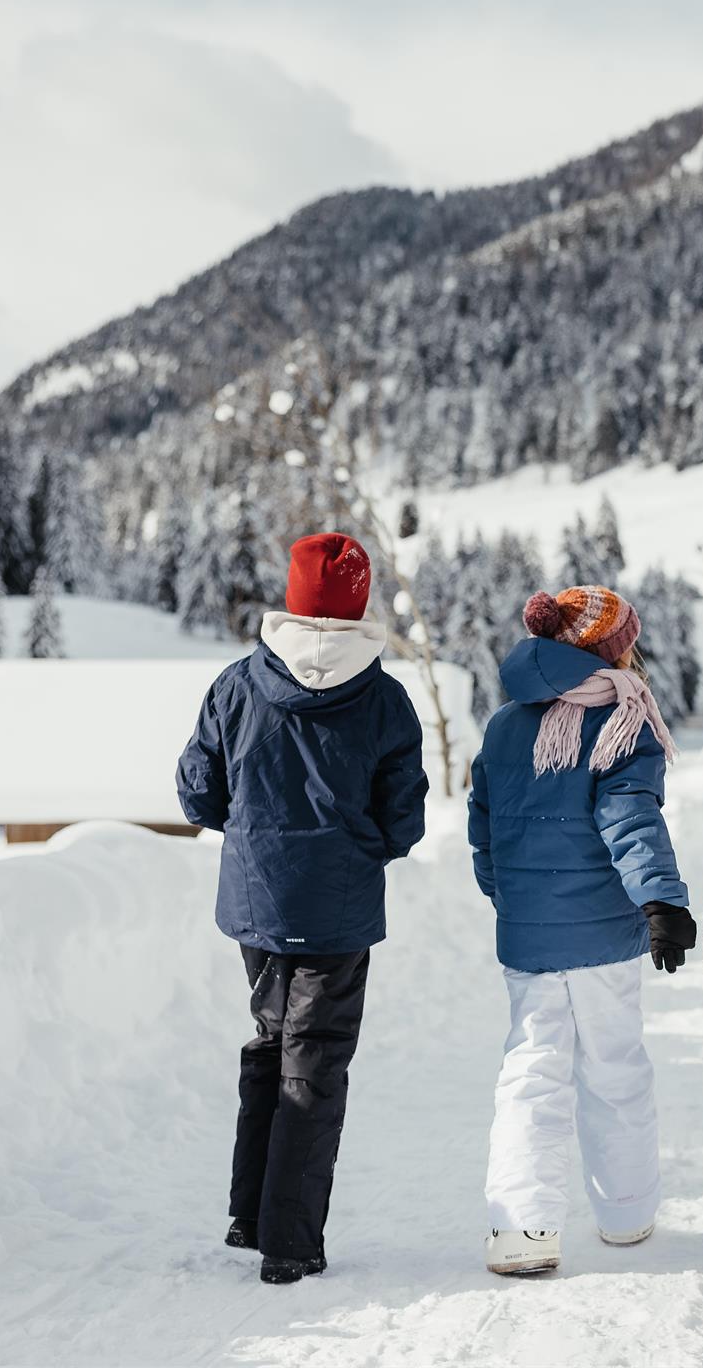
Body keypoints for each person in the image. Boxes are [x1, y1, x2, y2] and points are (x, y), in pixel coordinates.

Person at [176, 531, 429, 1285]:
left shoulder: (236, 685)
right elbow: (404, 821)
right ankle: (289, 1243)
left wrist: (256, 832)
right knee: (312, 1061)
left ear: (291, 599)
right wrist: (356, 851)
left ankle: (250, 1215)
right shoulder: (384, 699)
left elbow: (197, 793)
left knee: (270, 1038)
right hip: (339, 907)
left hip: (257, 898)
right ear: (358, 603)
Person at [468, 583, 696, 1277]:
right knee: (613, 1068)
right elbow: (629, 816)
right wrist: (662, 901)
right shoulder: (621, 716)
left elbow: (485, 830)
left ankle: (522, 1230)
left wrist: (512, 898)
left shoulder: (507, 722)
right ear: (610, 647)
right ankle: (625, 1214)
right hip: (601, 933)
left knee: (530, 1073)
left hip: (530, 934)